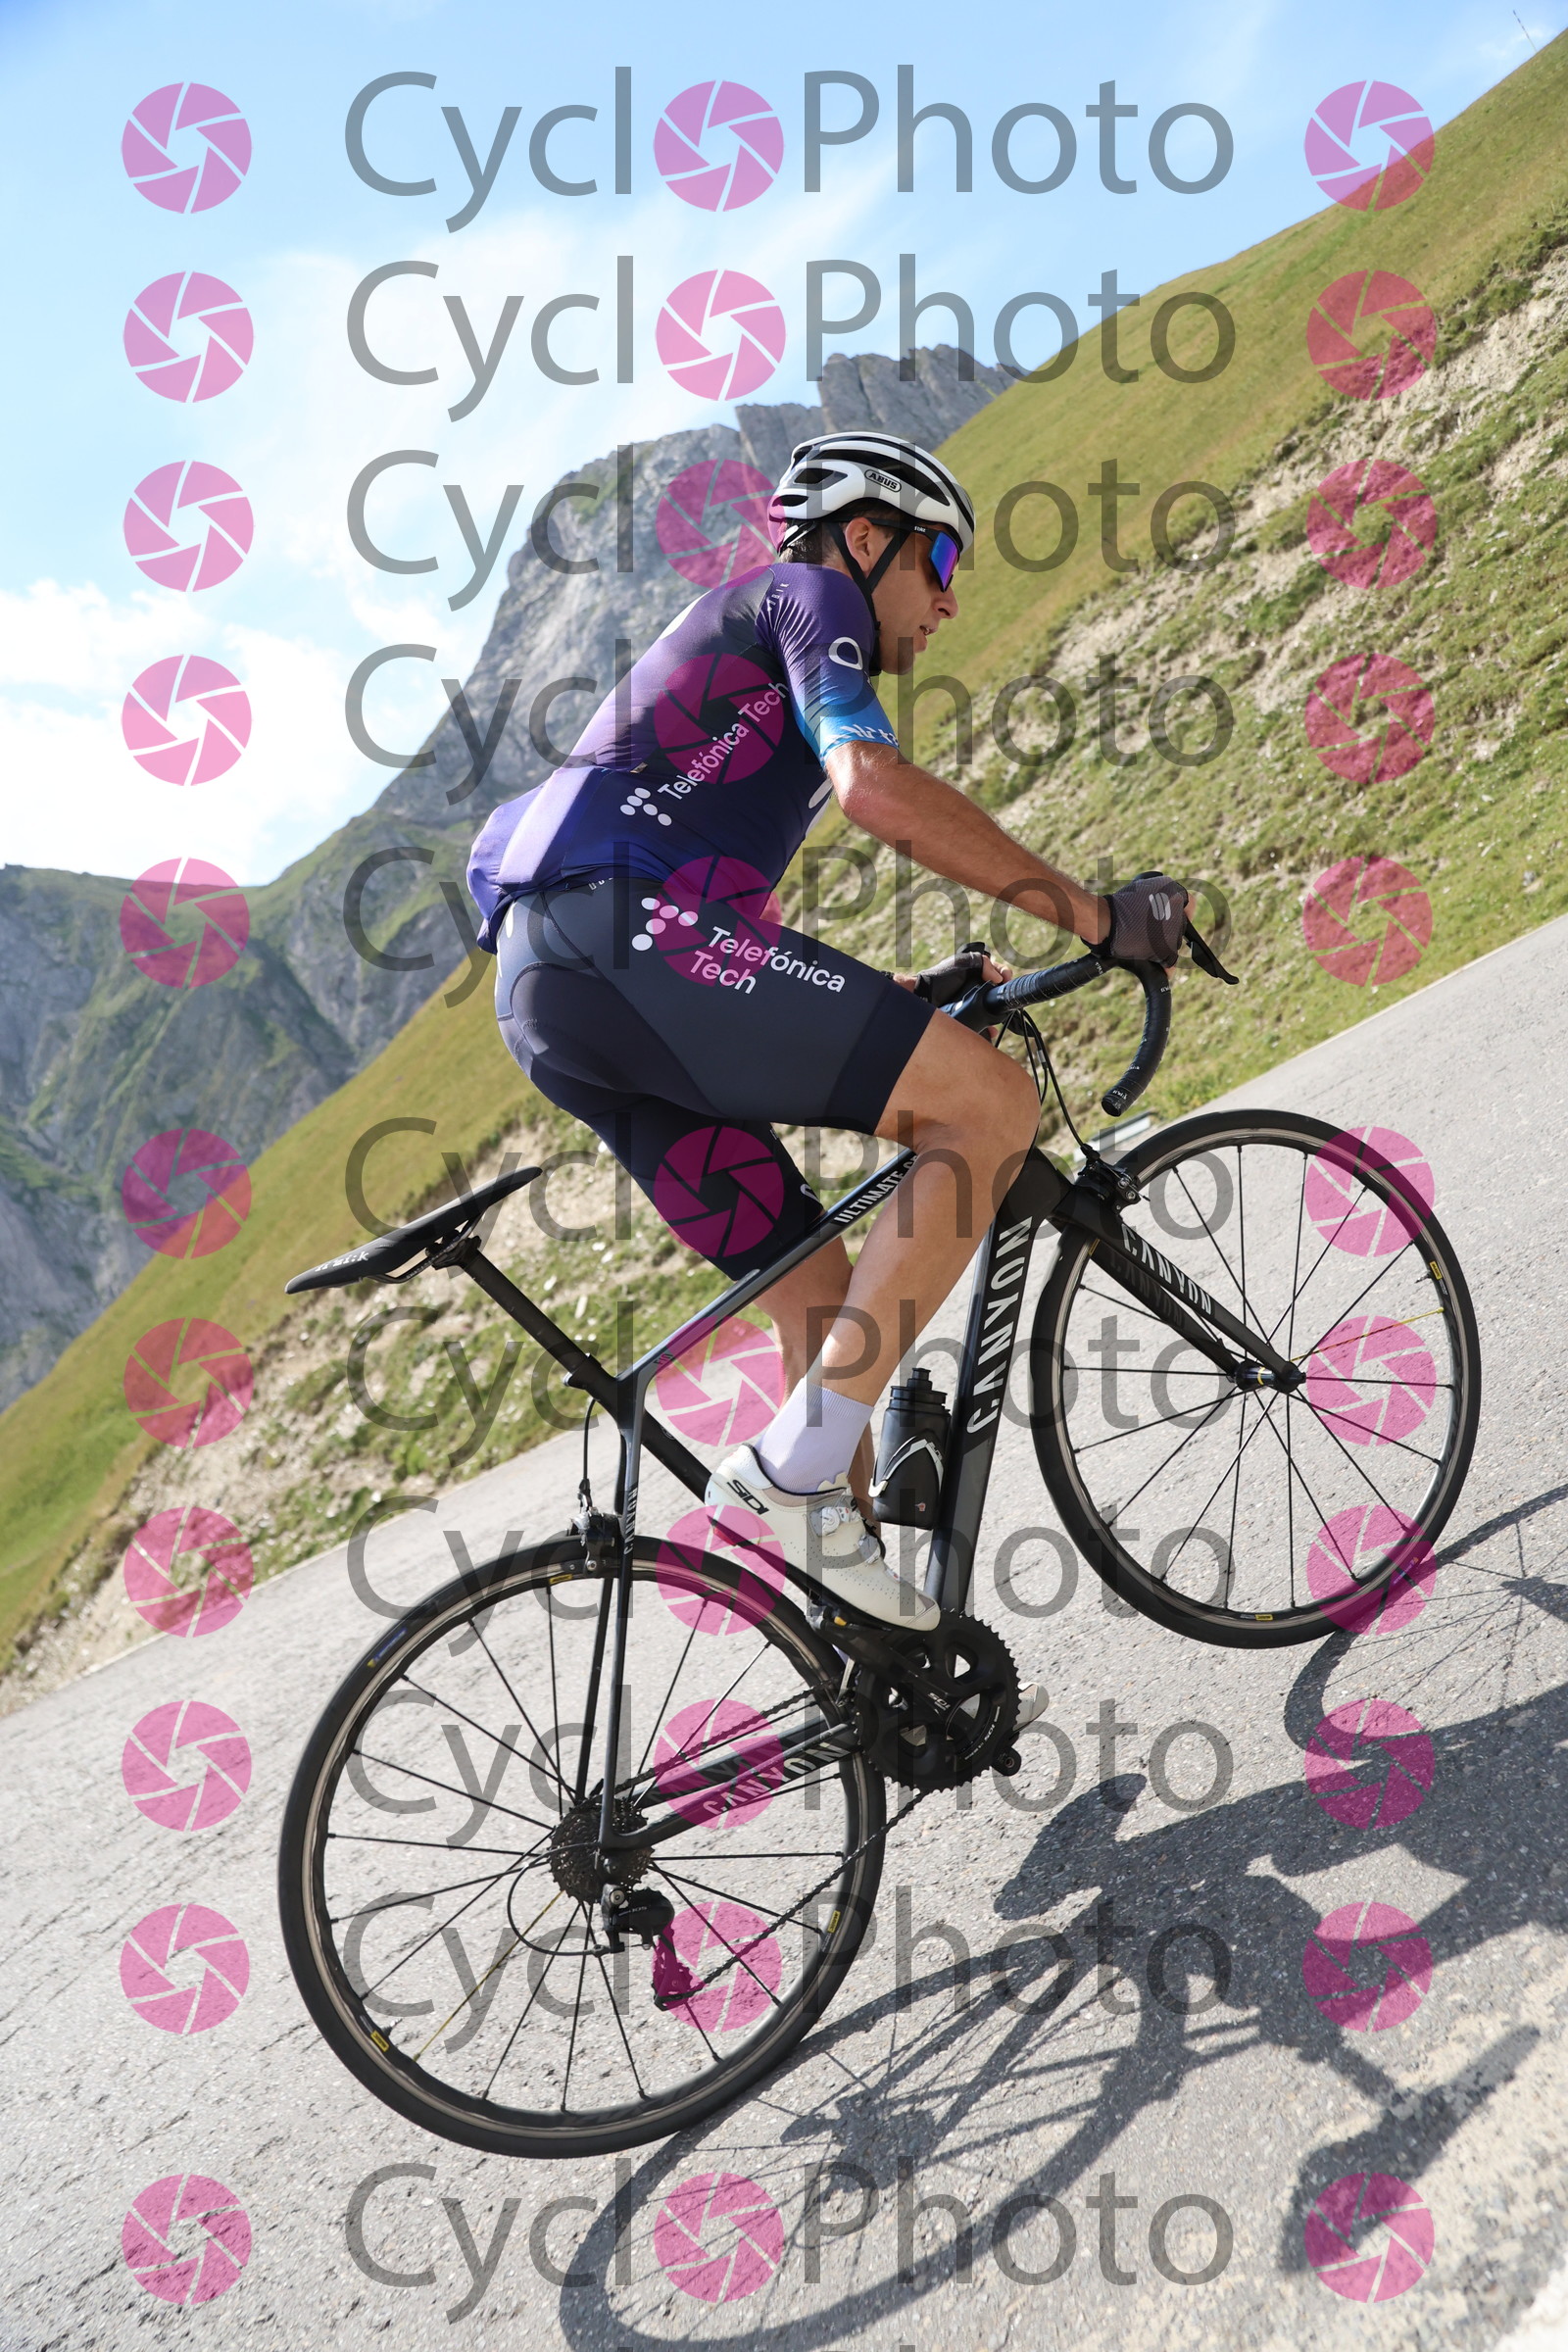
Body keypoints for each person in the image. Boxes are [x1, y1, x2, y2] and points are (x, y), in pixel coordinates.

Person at [468, 431, 1187, 1650]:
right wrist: (1095, 916)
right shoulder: (808, 597)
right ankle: (796, 1479)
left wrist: (901, 990)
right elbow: (875, 790)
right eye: (938, 560)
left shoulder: (734, 671)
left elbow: (721, 939)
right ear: (865, 537)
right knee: (990, 1107)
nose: (948, 600)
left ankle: (865, 1671)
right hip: (626, 941)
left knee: (818, 1309)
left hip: (560, 995)